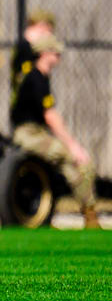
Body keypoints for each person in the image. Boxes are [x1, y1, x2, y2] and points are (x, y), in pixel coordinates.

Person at [10, 35, 100, 229]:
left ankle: (87, 209)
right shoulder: (36, 78)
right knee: (74, 158)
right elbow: (50, 116)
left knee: (71, 164)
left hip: (36, 133)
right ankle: (89, 211)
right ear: (43, 54)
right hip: (29, 134)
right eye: (55, 52)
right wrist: (73, 145)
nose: (58, 56)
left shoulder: (38, 77)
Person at [12, 10, 55, 93]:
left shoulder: (34, 48)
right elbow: (23, 73)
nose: (47, 35)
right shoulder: (24, 47)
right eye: (45, 30)